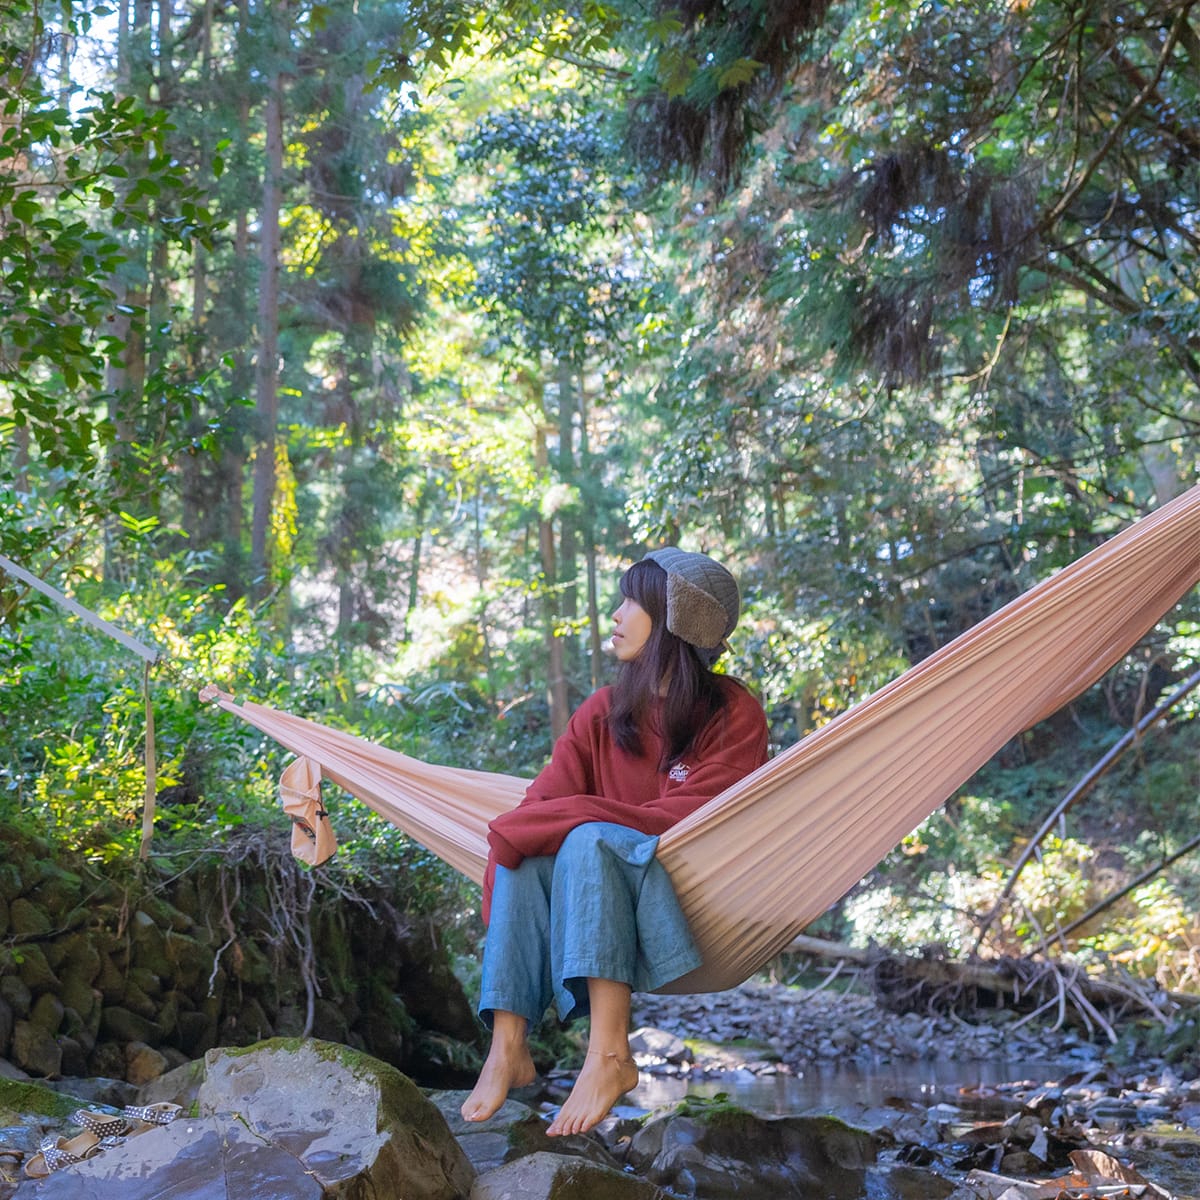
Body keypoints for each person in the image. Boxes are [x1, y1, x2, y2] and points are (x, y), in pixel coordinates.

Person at [460, 547, 769, 1136]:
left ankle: (609, 1056)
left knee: (587, 840)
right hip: (597, 907)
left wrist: (582, 822)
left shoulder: (732, 711)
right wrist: (543, 833)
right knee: (533, 855)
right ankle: (508, 1047)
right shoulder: (603, 711)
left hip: (690, 899)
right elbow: (536, 810)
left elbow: (694, 816)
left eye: (634, 601)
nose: (618, 614)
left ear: (675, 621)